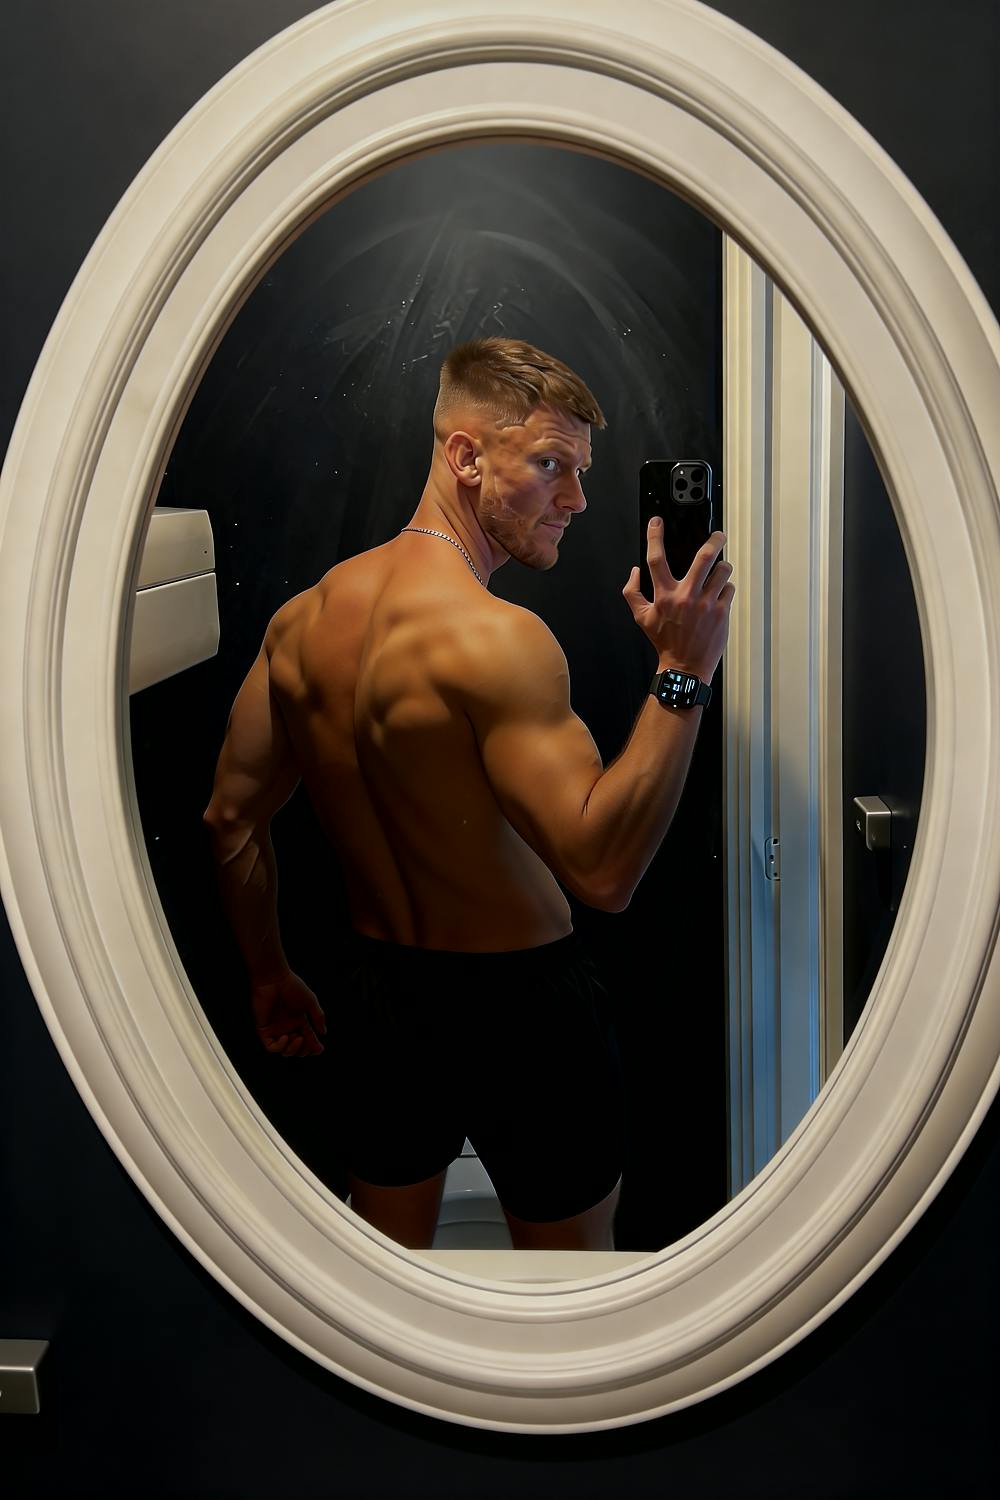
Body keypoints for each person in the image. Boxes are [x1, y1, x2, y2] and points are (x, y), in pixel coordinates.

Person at [202, 336, 735, 1251]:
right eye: (552, 465)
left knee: (388, 1286)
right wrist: (682, 670)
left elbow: (228, 822)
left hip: (378, 997)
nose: (576, 498)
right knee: (567, 1301)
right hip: (526, 1012)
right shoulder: (499, 640)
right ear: (466, 456)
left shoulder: (301, 623)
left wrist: (267, 974)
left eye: (580, 471)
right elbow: (604, 872)